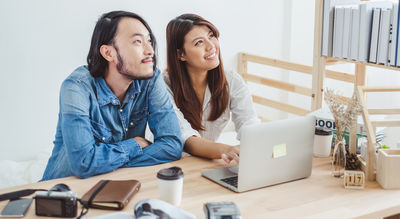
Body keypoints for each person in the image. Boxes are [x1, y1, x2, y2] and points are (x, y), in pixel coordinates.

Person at [42, 11, 182, 180]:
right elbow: (83, 163)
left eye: (149, 41)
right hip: (62, 193)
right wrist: (134, 145)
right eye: (138, 42)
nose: (150, 51)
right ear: (109, 53)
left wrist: (105, 162)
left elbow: (172, 145)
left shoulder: (150, 79)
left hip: (116, 186)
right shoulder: (76, 87)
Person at [164, 13, 260, 165]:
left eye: (211, 36)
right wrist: (225, 150)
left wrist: (257, 143)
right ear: (181, 54)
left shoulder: (232, 81)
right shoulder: (164, 85)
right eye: (199, 42)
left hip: (209, 163)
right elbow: (187, 139)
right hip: (172, 165)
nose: (211, 46)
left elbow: (248, 122)